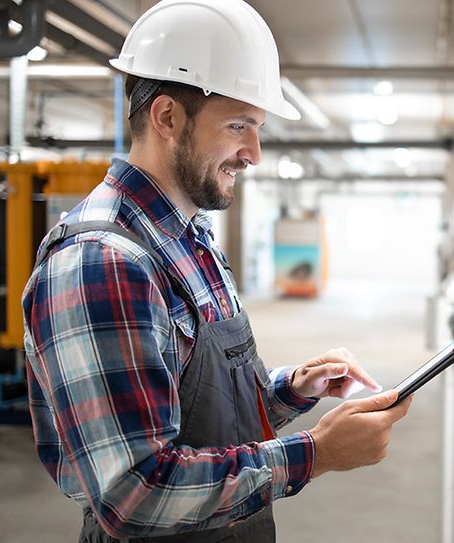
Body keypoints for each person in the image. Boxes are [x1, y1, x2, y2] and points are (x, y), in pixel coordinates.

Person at [21, 1, 412, 541]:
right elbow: (133, 495)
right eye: (238, 125)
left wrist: (295, 389)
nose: (253, 153)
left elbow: (203, 421)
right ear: (166, 118)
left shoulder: (192, 238)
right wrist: (314, 455)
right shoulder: (103, 262)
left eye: (257, 128)